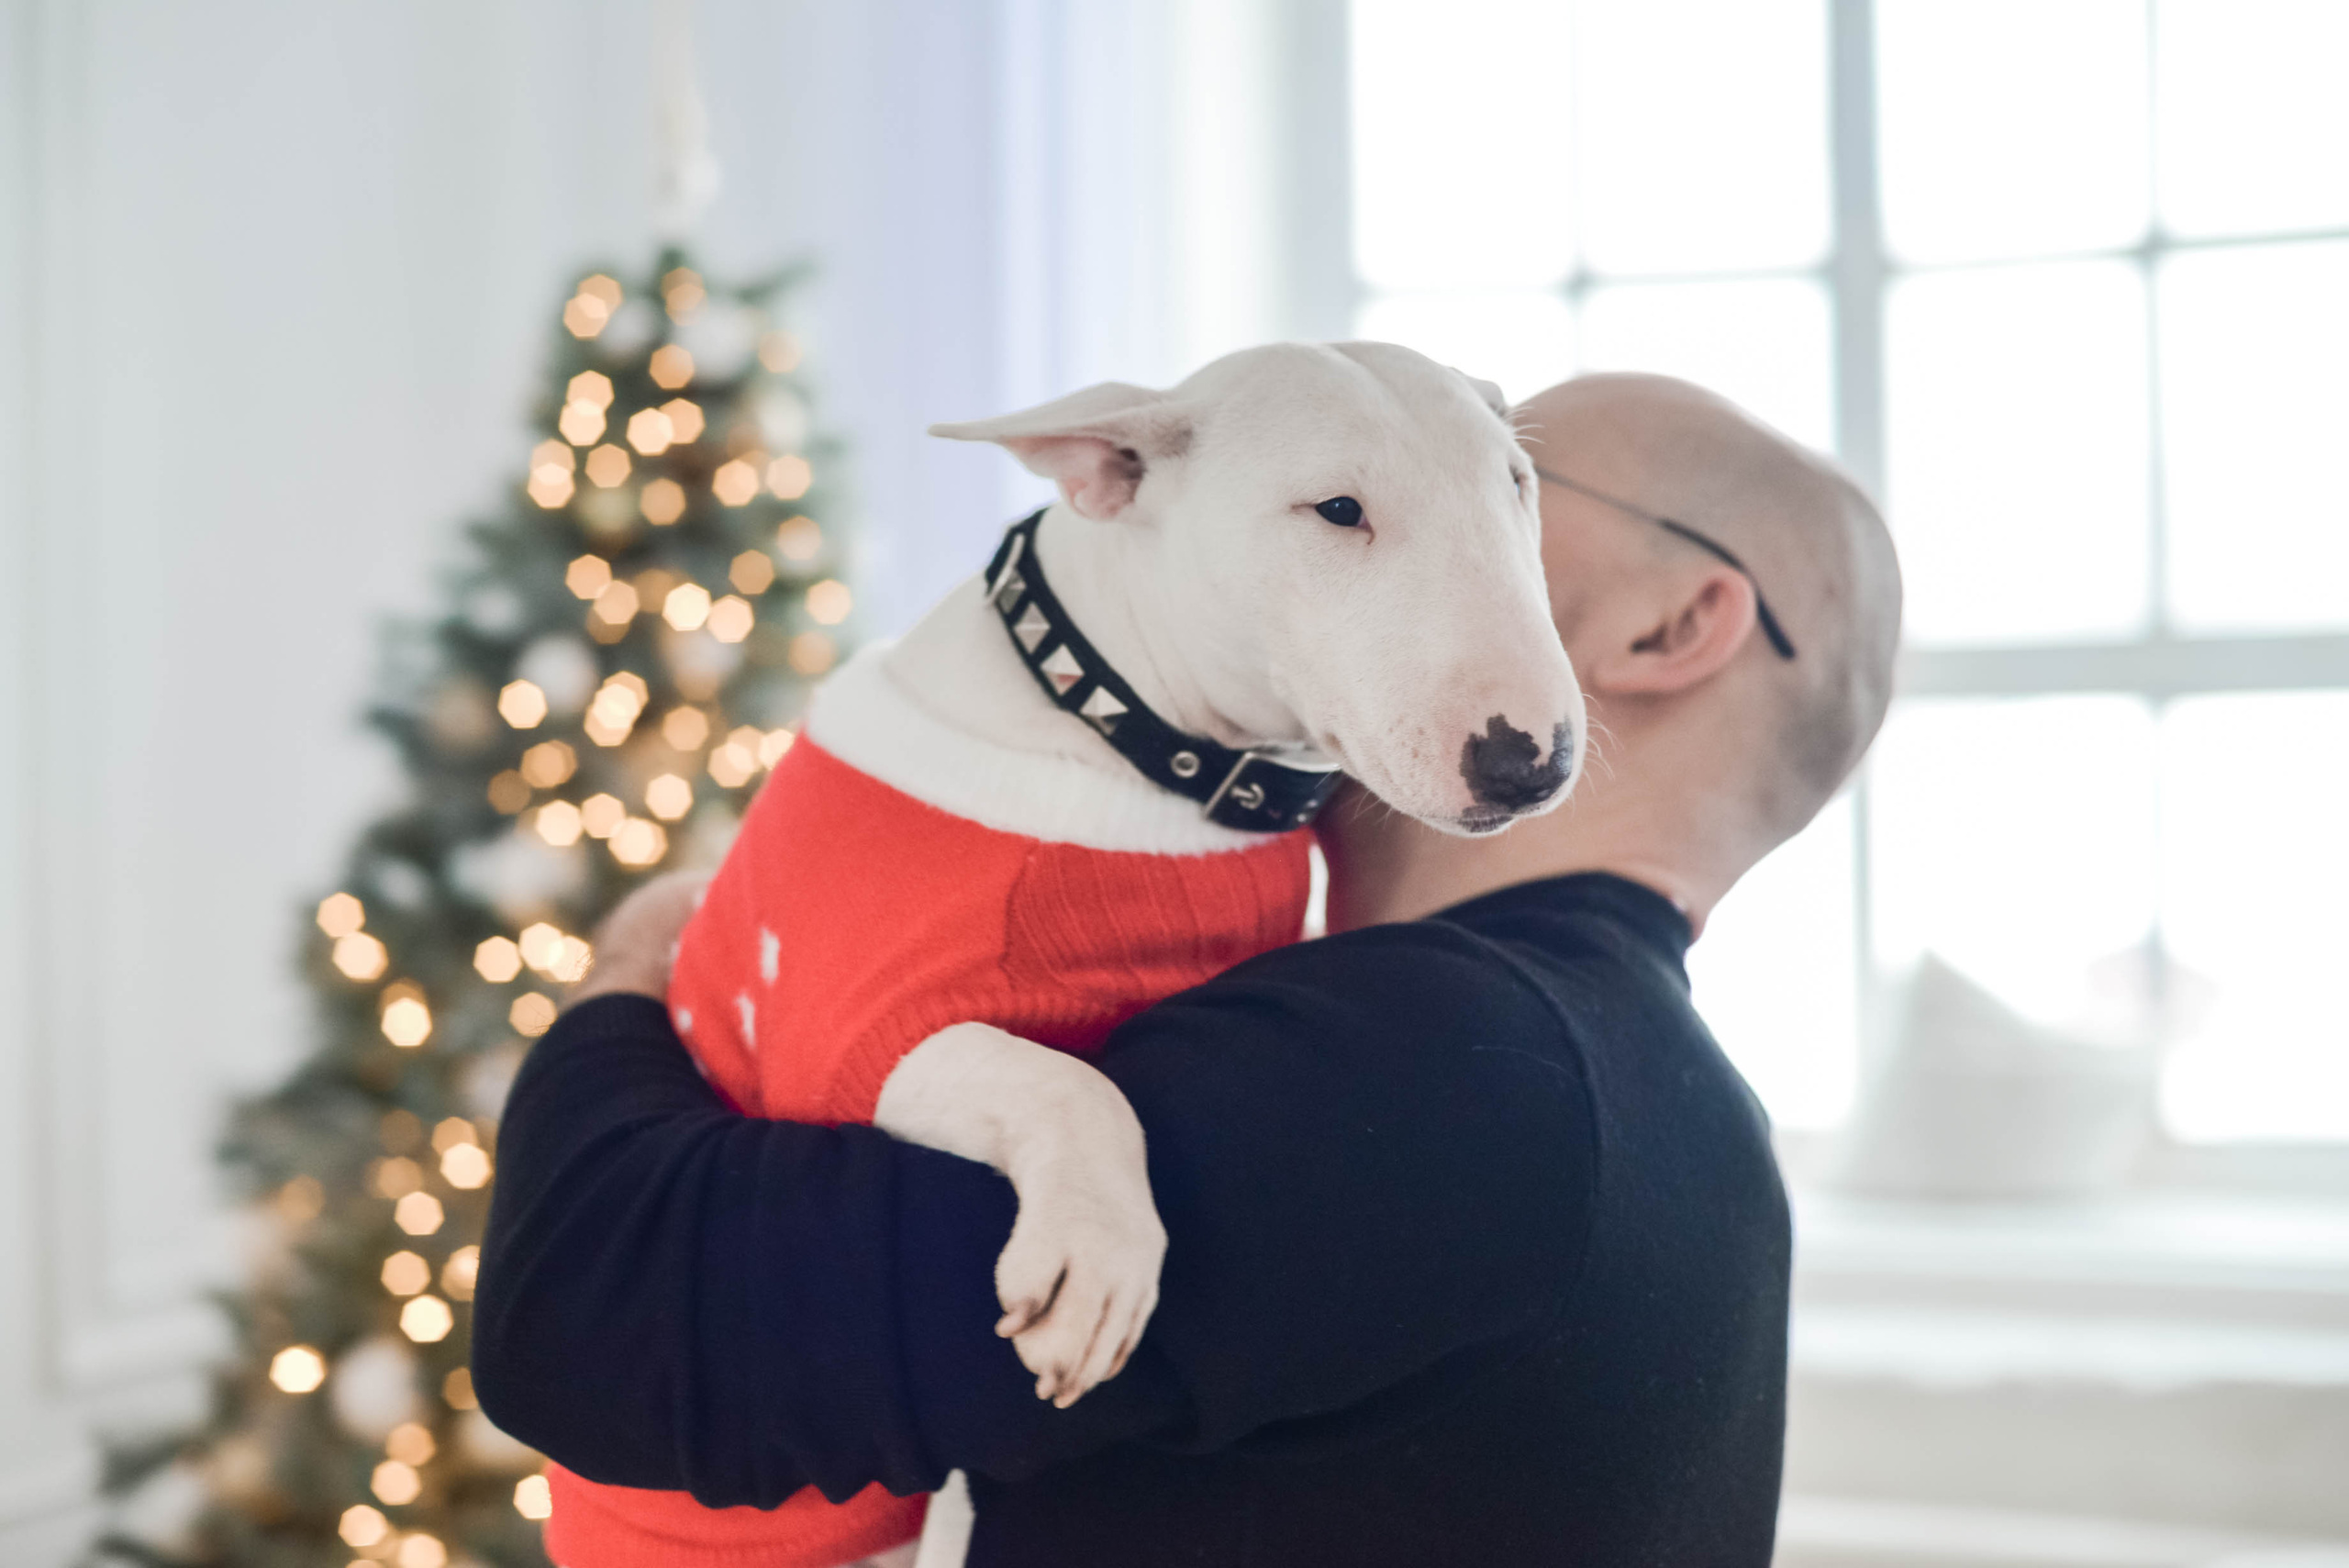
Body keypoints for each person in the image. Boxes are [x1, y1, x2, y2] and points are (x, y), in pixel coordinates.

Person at [473, 372, 1903, 1567]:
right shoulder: (1678, 1117)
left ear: (1670, 629)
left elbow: (591, 1320)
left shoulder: (1443, 1067)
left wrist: (621, 979)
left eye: (1512, 473)